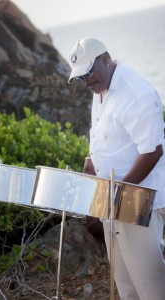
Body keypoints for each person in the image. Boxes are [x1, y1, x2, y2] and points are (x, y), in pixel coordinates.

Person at [68, 37, 165, 300]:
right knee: (124, 280)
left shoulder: (136, 94)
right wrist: (91, 158)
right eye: (80, 76)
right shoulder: (100, 89)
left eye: (89, 72)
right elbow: (99, 130)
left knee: (150, 285)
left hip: (137, 199)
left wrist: (117, 194)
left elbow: (152, 151)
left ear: (105, 59)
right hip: (112, 200)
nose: (86, 80)